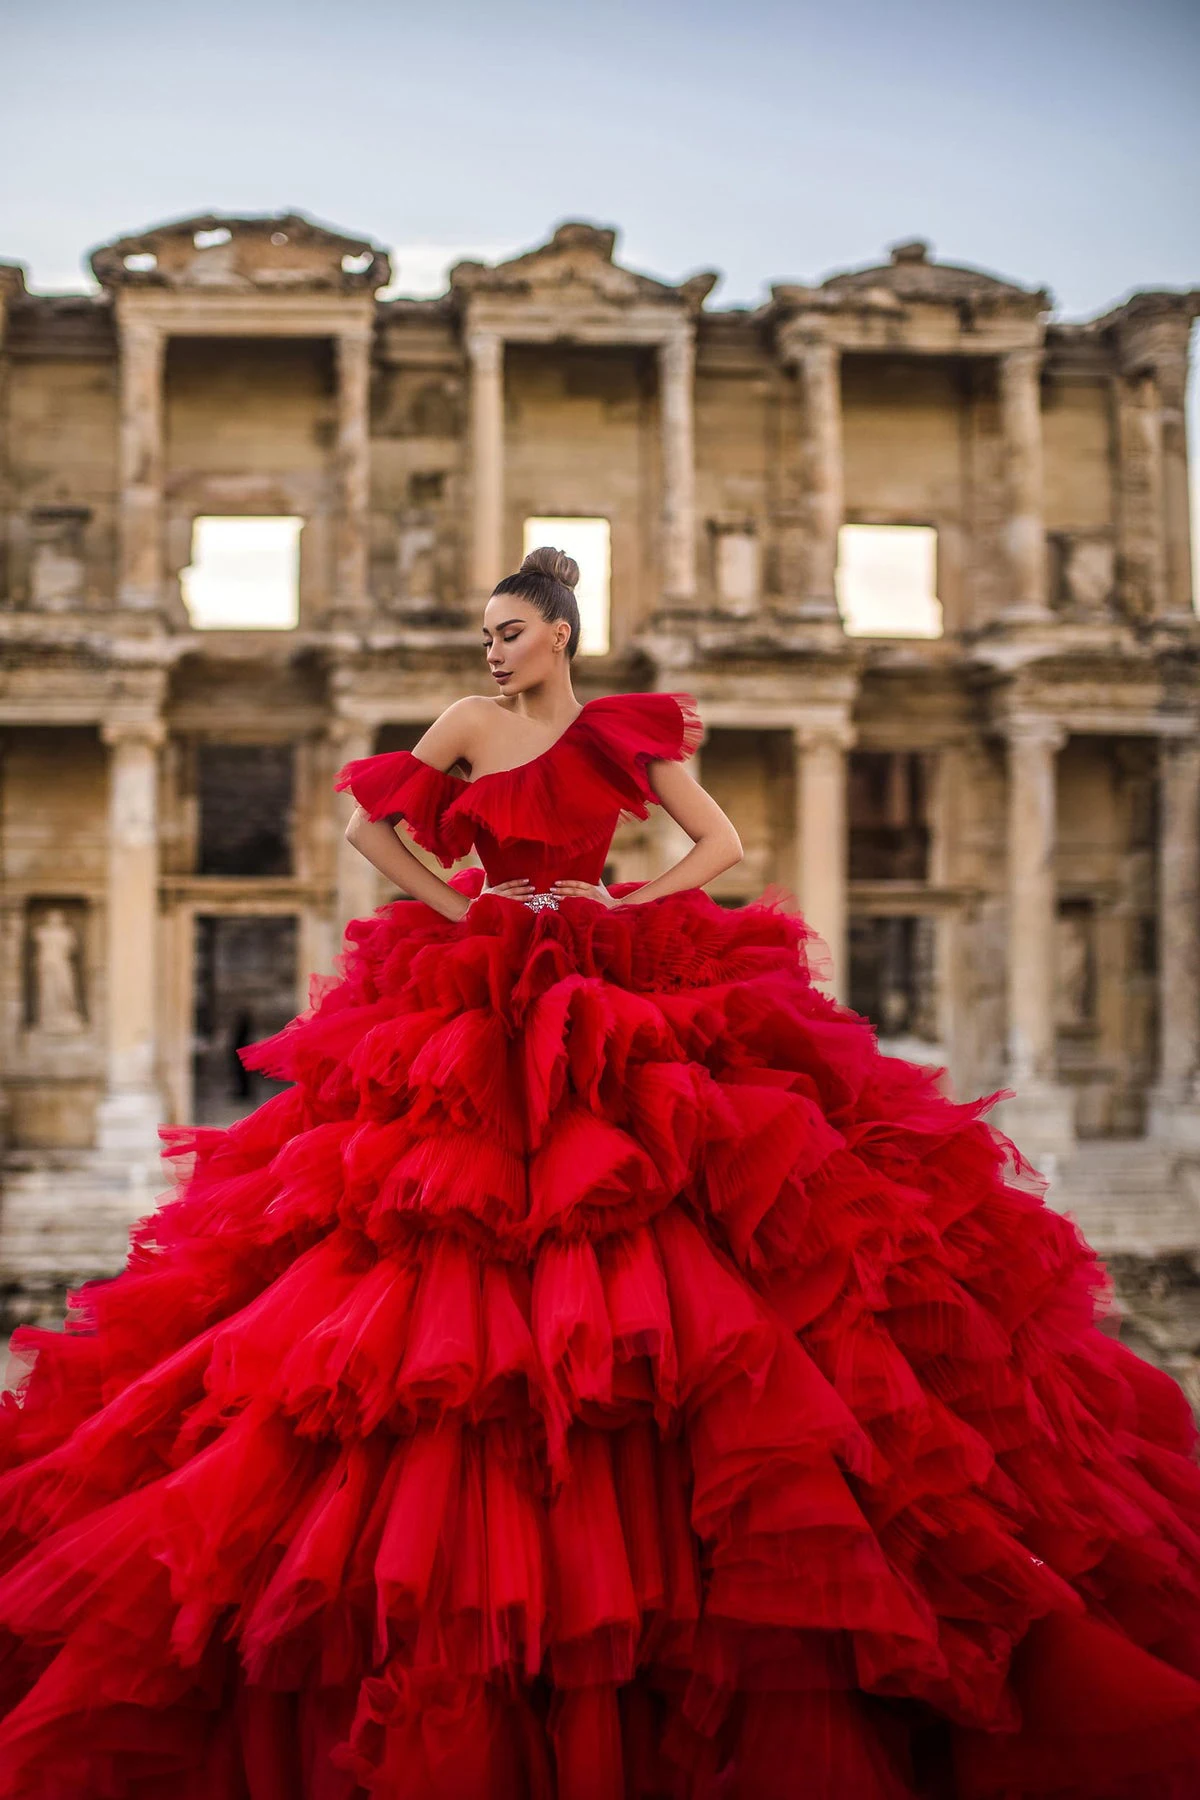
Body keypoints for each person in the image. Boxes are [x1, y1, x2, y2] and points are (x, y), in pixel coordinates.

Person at [0, 545, 1197, 1800]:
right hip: (478, 983)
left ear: (561, 634)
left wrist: (630, 908)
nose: (492, 647)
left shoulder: (623, 732)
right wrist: (461, 907)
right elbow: (368, 828)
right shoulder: (465, 722)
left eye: (510, 630)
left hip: (607, 977)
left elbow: (719, 843)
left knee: (663, 1221)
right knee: (441, 1222)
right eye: (485, 631)